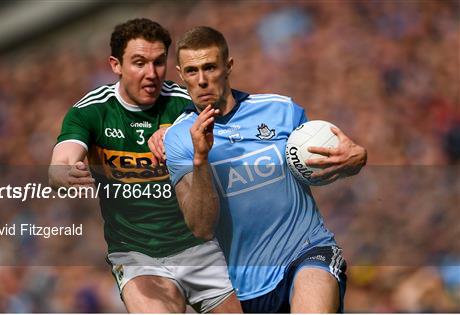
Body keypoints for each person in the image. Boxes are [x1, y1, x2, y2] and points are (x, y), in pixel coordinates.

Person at [162, 26, 367, 313]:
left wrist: (357, 158)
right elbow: (201, 226)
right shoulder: (179, 138)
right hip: (247, 286)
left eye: (210, 67)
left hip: (308, 250)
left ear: (228, 66)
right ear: (181, 75)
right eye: (192, 71)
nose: (203, 80)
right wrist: (200, 159)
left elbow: (330, 159)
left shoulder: (281, 110)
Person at [48, 19, 241, 313]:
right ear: (116, 65)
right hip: (137, 254)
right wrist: (66, 172)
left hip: (202, 245)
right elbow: (61, 161)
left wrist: (177, 132)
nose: (151, 74)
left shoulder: (184, 104)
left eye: (158, 63)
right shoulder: (91, 111)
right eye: (139, 63)